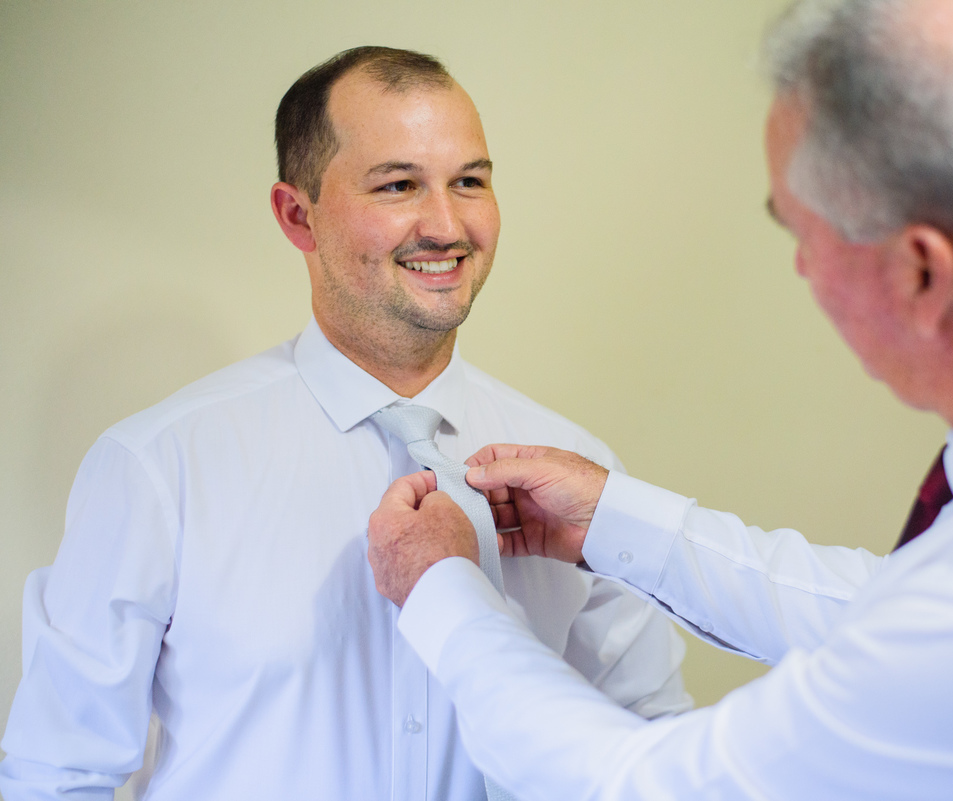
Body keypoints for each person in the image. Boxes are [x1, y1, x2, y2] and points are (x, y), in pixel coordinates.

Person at [365, 1, 953, 799]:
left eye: (800, 234)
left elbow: (645, 786)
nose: (801, 271)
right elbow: (894, 617)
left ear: (921, 271)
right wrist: (616, 524)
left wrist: (446, 593)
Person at [0, 47, 690, 800]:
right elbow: (56, 776)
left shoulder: (579, 473)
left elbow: (651, 742)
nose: (447, 223)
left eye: (470, 181)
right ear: (299, 215)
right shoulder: (161, 468)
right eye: (399, 185)